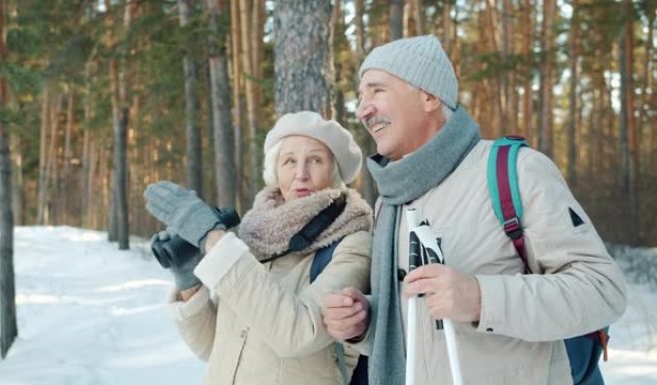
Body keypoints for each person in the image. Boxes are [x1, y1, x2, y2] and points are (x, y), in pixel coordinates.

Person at [322, 35, 627, 384]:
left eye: (377, 91)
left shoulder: (516, 171)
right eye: (361, 96)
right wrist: (365, 321)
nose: (363, 109)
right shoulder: (390, 201)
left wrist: (481, 298)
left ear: (429, 96)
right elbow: (421, 329)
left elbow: (604, 290)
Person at [143, 111, 373, 385]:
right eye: (289, 161)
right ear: (275, 171)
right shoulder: (254, 237)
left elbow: (299, 332)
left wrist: (214, 240)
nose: (301, 174)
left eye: (315, 160)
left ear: (335, 174)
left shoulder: (352, 242)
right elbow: (211, 347)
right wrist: (189, 280)